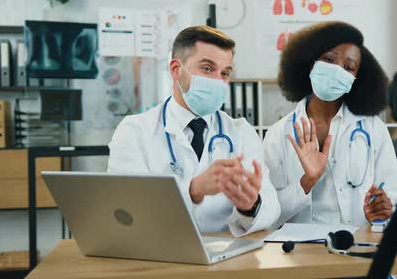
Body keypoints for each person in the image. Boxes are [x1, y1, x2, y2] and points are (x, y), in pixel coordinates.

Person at [108, 26, 280, 236]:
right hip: (159, 259)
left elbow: (272, 208)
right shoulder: (134, 131)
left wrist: (251, 206)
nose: (218, 81)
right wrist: (192, 190)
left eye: (225, 73)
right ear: (176, 69)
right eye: (207, 69)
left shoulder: (241, 132)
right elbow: (127, 209)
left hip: (227, 258)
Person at [264, 21, 397, 227]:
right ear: (311, 63)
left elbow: (393, 198)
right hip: (302, 252)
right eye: (328, 59)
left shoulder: (373, 129)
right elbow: (267, 215)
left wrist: (384, 208)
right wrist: (307, 182)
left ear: (356, 79)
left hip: (357, 246)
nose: (337, 70)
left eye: (348, 67)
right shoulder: (279, 134)